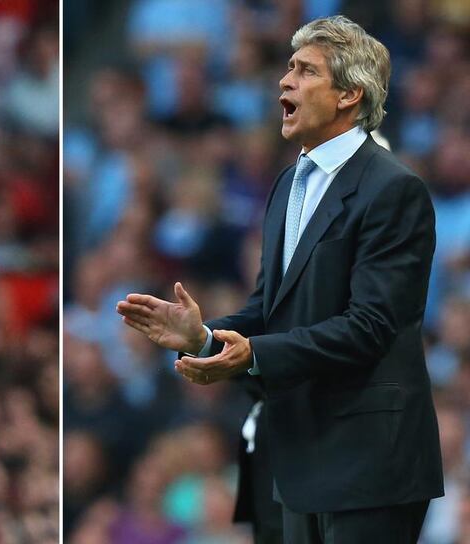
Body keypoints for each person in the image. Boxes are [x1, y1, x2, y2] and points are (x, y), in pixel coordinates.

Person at [117, 15, 443, 544]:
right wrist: (203, 338)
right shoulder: (289, 183)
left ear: (349, 95)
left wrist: (256, 355)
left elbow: (372, 326)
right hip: (298, 459)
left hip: (371, 462)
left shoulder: (393, 189)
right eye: (288, 68)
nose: (284, 82)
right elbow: (271, 307)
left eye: (305, 71)